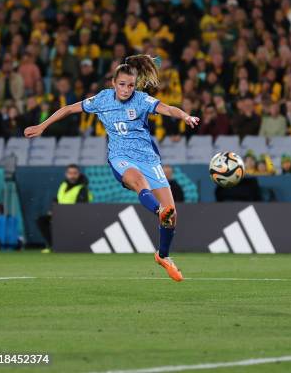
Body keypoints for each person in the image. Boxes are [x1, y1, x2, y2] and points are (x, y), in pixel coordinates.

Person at [25, 55, 200, 282]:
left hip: (148, 159)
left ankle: (163, 256)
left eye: (130, 85)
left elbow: (167, 109)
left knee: (172, 215)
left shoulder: (141, 100)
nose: (126, 90)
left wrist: (185, 116)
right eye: (121, 85)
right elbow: (69, 109)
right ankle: (158, 211)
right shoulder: (102, 100)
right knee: (139, 183)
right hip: (120, 157)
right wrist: (42, 125)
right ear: (113, 83)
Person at [37, 164, 92, 252]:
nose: (72, 176)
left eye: (75, 173)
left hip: (75, 217)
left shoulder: (82, 188)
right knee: (41, 220)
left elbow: (81, 207)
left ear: (79, 174)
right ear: (66, 174)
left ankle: (62, 244)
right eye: (70, 173)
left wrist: (64, 213)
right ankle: (52, 245)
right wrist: (52, 210)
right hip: (61, 215)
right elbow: (57, 199)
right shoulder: (63, 185)